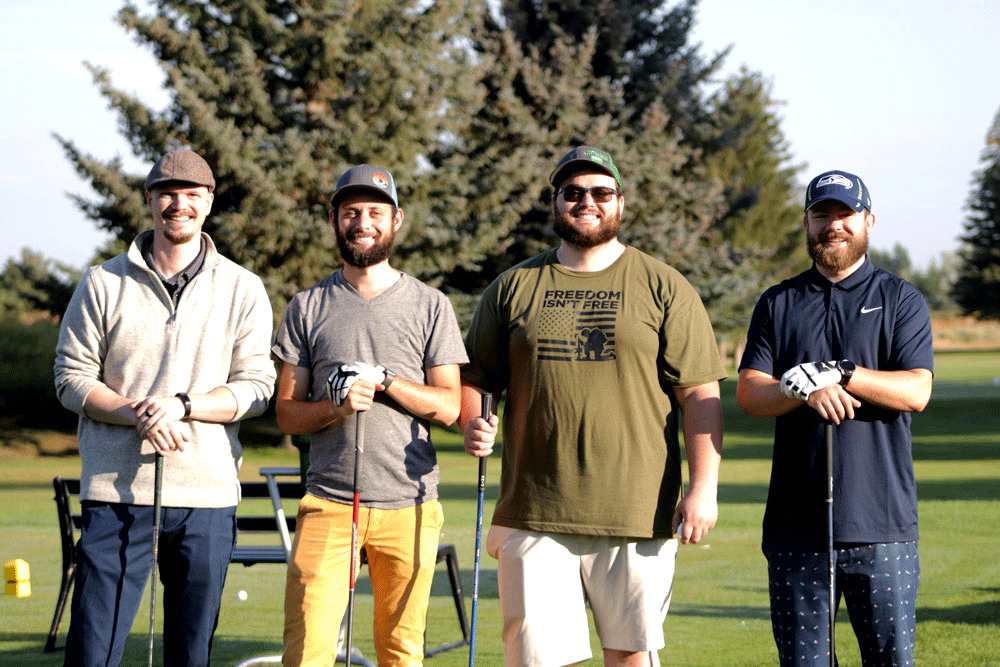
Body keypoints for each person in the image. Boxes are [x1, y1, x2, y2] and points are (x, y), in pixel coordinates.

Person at [460, 146, 726, 667]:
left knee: (630, 658)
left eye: (601, 192)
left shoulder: (663, 285)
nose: (587, 201)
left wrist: (703, 488)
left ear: (620, 203)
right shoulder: (513, 287)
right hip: (534, 512)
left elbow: (699, 394)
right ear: (554, 203)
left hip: (638, 511)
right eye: (573, 192)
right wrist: (474, 418)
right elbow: (474, 378)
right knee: (537, 661)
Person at [54, 148, 277, 667]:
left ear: (209, 201)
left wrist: (182, 406)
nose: (180, 204)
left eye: (192, 194)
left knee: (190, 653)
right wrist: (137, 412)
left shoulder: (243, 288)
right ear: (150, 199)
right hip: (115, 493)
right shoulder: (102, 282)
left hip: (206, 493)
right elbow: (70, 378)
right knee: (93, 652)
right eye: (168, 193)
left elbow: (258, 386)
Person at [273, 164, 468, 667]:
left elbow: (449, 407)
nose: (363, 222)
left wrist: (388, 381)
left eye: (375, 212)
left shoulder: (430, 305)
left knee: (401, 652)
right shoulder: (307, 305)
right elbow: (288, 415)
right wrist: (334, 407)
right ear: (335, 219)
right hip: (329, 502)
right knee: (308, 650)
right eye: (351, 212)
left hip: (410, 504)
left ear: (396, 220)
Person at [737, 169, 933, 667]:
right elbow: (749, 394)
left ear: (868, 220)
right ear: (806, 222)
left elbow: (916, 390)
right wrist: (798, 388)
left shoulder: (900, 299)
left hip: (882, 525)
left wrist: (841, 373)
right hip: (794, 530)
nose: (833, 226)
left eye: (844, 215)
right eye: (821, 215)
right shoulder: (779, 302)